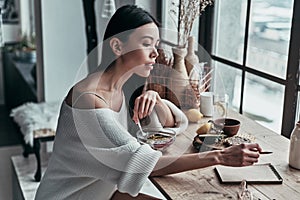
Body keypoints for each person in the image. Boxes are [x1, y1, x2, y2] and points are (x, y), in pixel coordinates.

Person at [35, 5, 262, 200]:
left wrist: (157, 100)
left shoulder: (118, 89)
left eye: (156, 44)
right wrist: (220, 157)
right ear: (117, 47)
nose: (155, 53)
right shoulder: (89, 101)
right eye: (146, 44)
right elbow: (144, 163)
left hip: (99, 193)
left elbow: (169, 126)